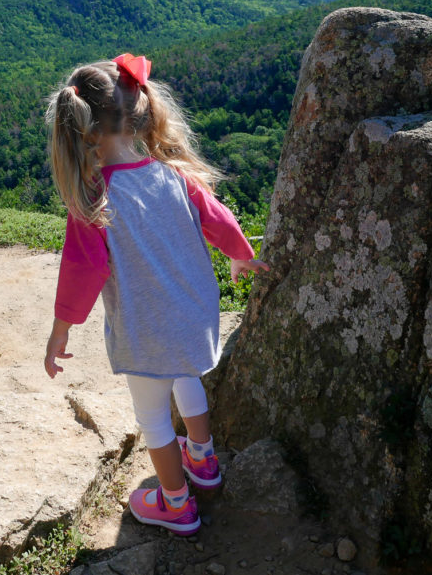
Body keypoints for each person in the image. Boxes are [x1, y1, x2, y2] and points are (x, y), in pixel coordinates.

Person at [42, 53, 268, 536]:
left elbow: (82, 271)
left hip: (147, 331)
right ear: (141, 114)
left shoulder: (94, 200)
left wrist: (60, 330)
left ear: (83, 133)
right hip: (194, 315)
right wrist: (240, 254)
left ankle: (176, 504)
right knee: (188, 380)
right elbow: (220, 220)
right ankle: (204, 462)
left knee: (152, 418)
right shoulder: (176, 175)